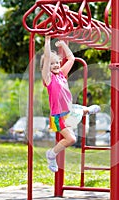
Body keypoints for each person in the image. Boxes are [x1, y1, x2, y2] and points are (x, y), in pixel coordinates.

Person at [41, 35, 100, 172]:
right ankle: (51, 154)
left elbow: (71, 58)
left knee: (82, 110)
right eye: (51, 64)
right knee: (71, 139)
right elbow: (47, 59)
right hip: (58, 116)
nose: (55, 65)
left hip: (69, 111)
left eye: (56, 63)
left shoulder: (61, 74)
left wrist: (63, 45)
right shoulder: (48, 79)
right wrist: (48, 41)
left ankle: (87, 110)